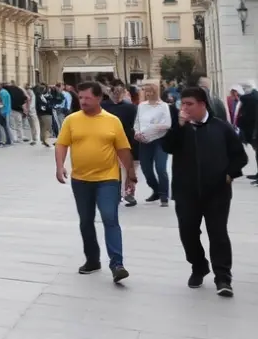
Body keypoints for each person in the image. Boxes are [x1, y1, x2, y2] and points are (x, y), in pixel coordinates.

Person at [163, 87, 248, 296]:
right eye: (182, 104)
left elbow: (240, 156)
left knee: (218, 234)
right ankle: (198, 266)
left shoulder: (221, 127)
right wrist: (179, 127)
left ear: (202, 104)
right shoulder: (179, 128)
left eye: (189, 104)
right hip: (186, 192)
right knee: (188, 233)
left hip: (217, 192)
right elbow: (168, 147)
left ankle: (223, 278)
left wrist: (230, 174)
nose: (184, 108)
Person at [54, 81, 136, 283]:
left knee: (110, 217)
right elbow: (62, 144)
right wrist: (59, 165)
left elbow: (123, 149)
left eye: (87, 98)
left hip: (107, 178)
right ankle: (92, 259)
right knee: (86, 221)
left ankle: (117, 264)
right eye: (80, 97)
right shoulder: (72, 120)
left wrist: (131, 175)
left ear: (99, 98)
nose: (82, 101)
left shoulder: (112, 121)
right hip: (80, 180)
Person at [133, 83, 172, 207]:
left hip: (159, 140)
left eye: (151, 91)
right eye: (147, 92)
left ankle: (164, 196)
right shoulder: (142, 106)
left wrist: (152, 129)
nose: (149, 94)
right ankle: (156, 190)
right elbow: (137, 122)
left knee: (160, 168)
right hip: (144, 141)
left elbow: (167, 124)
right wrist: (137, 133)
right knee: (146, 169)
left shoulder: (164, 106)